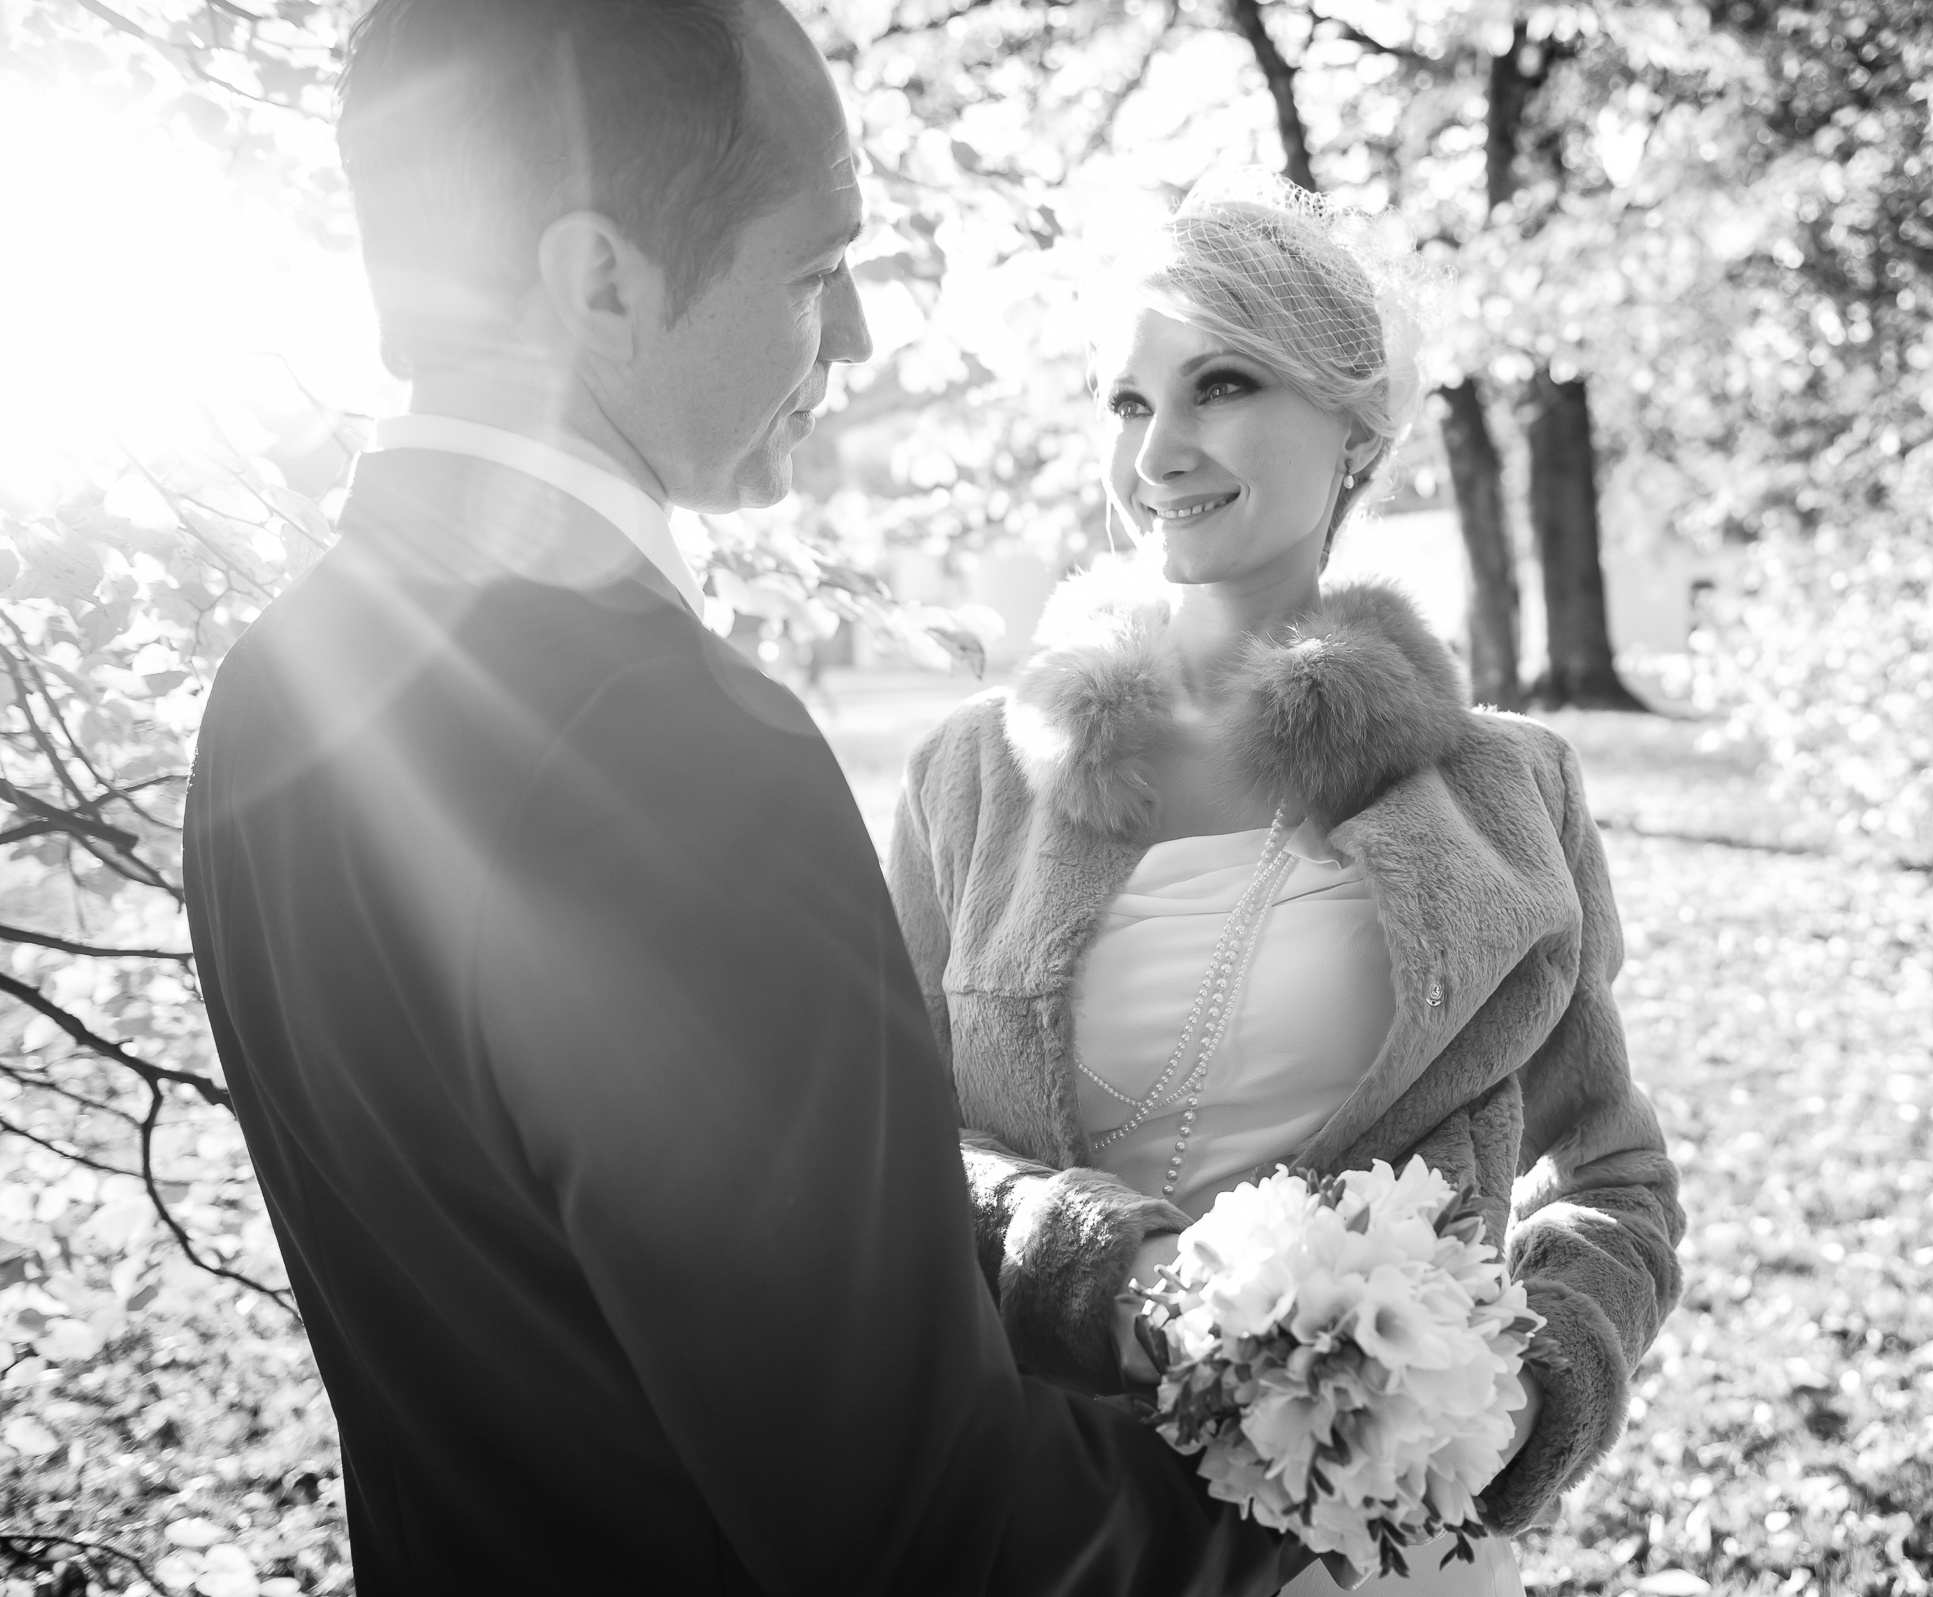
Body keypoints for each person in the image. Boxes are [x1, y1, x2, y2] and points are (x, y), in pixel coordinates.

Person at [182, 3, 1307, 1592]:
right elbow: (932, 1535)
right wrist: (1313, 1473)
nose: (852, 340)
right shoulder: (684, 759)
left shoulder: (269, 694)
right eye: (811, 270)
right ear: (599, 280)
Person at [887, 184, 1687, 1595]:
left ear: (1356, 428)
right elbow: (880, 1153)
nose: (1159, 449)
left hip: (1373, 1551)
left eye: (1223, 383)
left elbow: (1610, 1176)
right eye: (1126, 403)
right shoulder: (974, 776)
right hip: (1048, 1518)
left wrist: (1524, 1390)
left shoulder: (1509, 790)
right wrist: (1113, 1276)